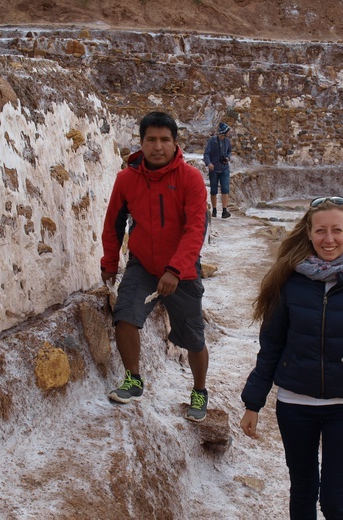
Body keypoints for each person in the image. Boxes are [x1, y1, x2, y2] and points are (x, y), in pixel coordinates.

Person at [240, 196, 343, 519]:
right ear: (308, 233)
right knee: (303, 491)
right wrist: (253, 404)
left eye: (337, 230)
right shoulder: (289, 280)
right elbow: (271, 345)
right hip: (296, 403)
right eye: (321, 231)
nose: (329, 239)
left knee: (336, 499)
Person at [100, 111, 210, 422]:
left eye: (165, 140)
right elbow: (114, 224)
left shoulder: (190, 179)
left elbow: (195, 229)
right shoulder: (126, 179)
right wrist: (109, 261)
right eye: (151, 140)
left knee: (193, 338)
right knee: (125, 317)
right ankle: (133, 379)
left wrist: (175, 270)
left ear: (176, 144)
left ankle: (200, 390)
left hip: (183, 270)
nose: (158, 146)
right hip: (143, 266)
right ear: (141, 142)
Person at [203, 122, 232, 219]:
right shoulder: (212, 141)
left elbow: (229, 151)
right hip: (214, 169)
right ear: (224, 132)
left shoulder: (227, 141)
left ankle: (224, 211)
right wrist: (209, 163)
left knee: (225, 189)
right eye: (228, 131)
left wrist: (228, 158)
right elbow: (206, 154)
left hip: (224, 169)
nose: (229, 133)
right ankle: (214, 210)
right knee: (214, 190)